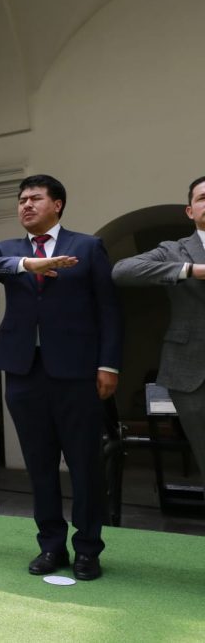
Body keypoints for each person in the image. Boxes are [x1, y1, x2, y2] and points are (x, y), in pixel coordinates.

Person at [0, 174, 122, 581]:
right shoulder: (9, 251)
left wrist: (108, 365)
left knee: (84, 465)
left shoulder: (86, 247)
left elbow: (108, 310)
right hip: (23, 372)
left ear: (58, 205)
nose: (26, 205)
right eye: (21, 200)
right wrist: (27, 264)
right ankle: (51, 546)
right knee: (40, 466)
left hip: (77, 373)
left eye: (35, 198)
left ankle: (87, 548)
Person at [112, 175, 205, 480]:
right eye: (202, 198)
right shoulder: (175, 250)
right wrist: (190, 270)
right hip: (192, 374)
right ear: (190, 211)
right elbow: (122, 271)